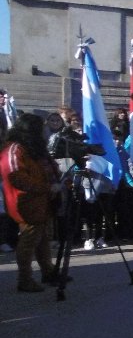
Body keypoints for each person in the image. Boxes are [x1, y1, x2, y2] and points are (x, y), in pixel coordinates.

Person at [0, 114, 62, 292]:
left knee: (42, 238)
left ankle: (48, 271)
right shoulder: (14, 149)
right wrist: (47, 187)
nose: (43, 131)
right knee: (28, 240)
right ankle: (24, 279)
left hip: (41, 200)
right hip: (26, 202)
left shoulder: (32, 148)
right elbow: (17, 177)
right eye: (40, 128)